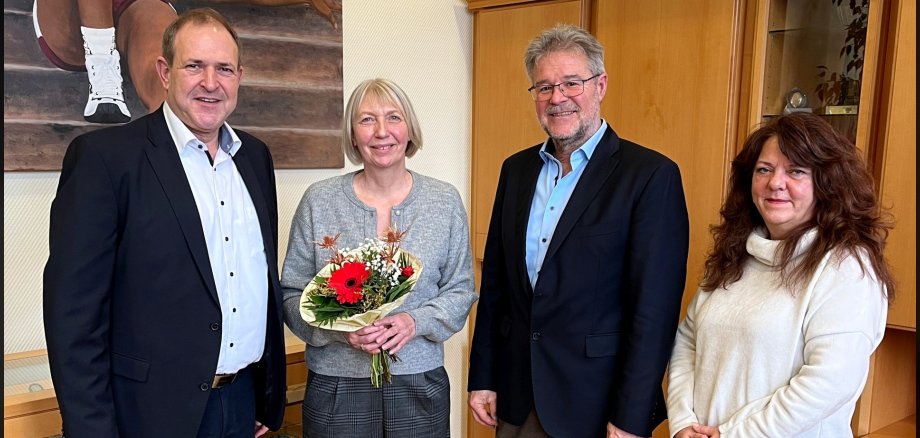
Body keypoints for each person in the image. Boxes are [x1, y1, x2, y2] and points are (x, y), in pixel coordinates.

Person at [43, 8, 286, 437]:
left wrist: (265, 395)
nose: (211, 83)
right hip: (147, 415)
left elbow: (256, 282)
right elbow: (73, 317)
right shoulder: (105, 159)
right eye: (195, 66)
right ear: (165, 71)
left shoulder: (254, 158)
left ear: (239, 77)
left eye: (224, 69)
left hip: (242, 404)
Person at [467, 24, 690, 438]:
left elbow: (653, 313)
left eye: (572, 83)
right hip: (518, 397)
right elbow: (496, 285)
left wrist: (630, 416)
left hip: (598, 405)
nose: (557, 98)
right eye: (544, 87)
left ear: (600, 85)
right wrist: (483, 375)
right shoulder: (515, 170)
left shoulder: (650, 176)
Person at [666, 112, 894, 437]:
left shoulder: (847, 267)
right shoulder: (736, 255)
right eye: (764, 170)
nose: (775, 183)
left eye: (796, 171)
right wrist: (682, 421)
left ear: (827, 183)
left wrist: (734, 434)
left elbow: (830, 380)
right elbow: (688, 339)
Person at [280, 78, 478, 437]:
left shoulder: (443, 201)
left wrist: (414, 322)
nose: (382, 132)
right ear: (353, 135)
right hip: (337, 385)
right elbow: (291, 294)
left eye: (393, 118)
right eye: (367, 120)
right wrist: (342, 331)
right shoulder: (319, 200)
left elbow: (461, 289)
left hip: (419, 383)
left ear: (409, 129)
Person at [32, 0, 341, 123]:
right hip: (69, 21)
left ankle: (181, 160)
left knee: (170, 63)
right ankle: (101, 59)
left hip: (136, 8)